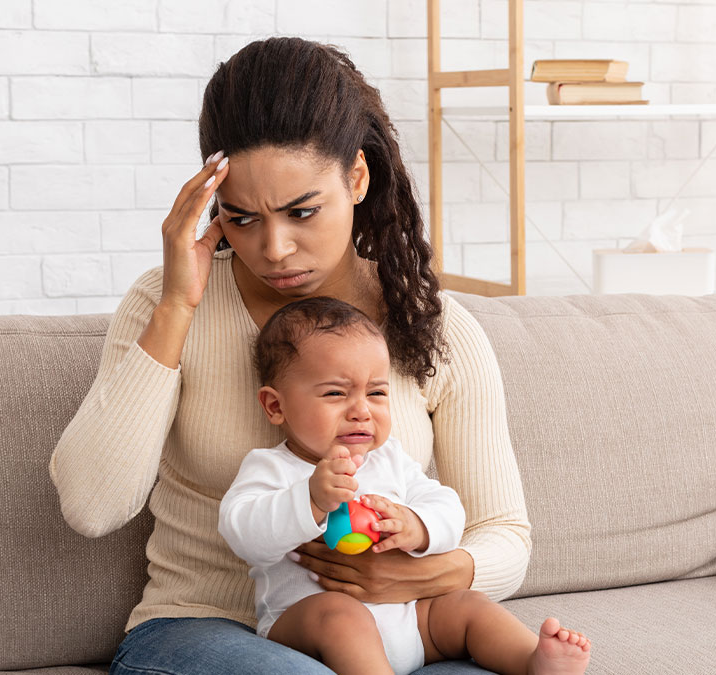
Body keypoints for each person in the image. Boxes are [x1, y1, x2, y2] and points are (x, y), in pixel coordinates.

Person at [49, 36, 532, 674]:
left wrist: (418, 576)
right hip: (203, 632)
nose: (274, 248)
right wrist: (176, 308)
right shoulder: (169, 303)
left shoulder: (429, 323)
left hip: (395, 633)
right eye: (241, 218)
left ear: (356, 178)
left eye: (302, 212)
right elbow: (92, 505)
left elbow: (504, 532)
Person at [219, 296, 592, 675]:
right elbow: (242, 533)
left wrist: (416, 526)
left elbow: (447, 507)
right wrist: (309, 500)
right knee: (340, 614)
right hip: (310, 631)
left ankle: (533, 662)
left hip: (412, 621)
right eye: (335, 393)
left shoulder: (390, 459)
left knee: (467, 605)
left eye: (376, 392)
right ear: (275, 407)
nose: (361, 410)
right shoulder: (273, 468)